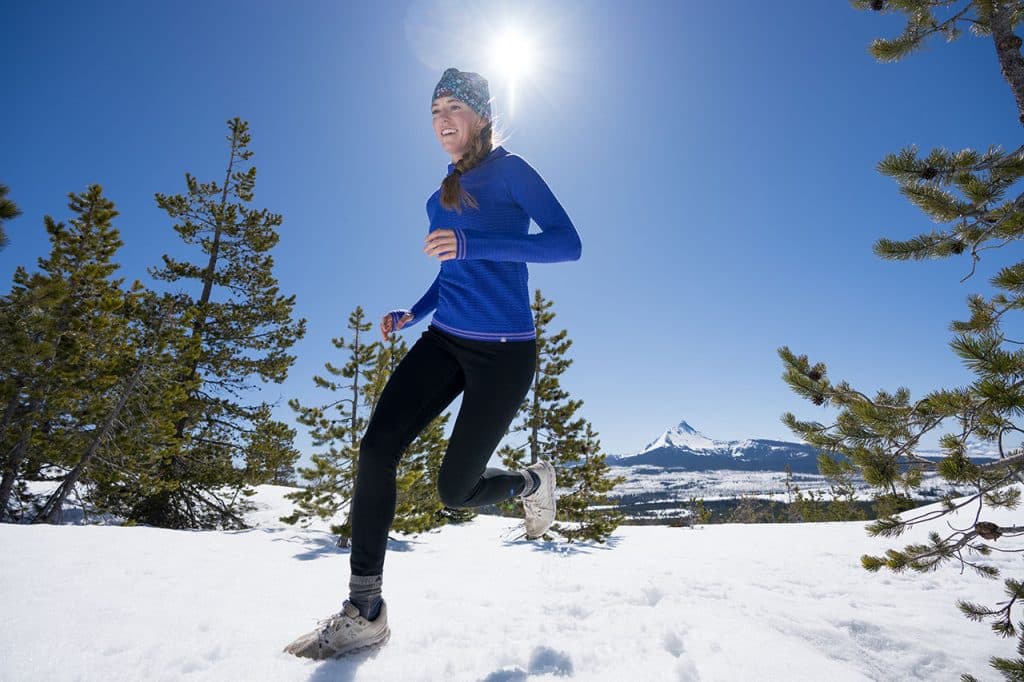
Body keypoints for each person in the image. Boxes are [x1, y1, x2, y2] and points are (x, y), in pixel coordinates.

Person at [284, 66, 582, 660]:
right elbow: (451, 271)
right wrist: (415, 311)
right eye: (433, 112)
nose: (442, 121)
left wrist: (475, 244)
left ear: (480, 114)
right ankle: (364, 609)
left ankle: (532, 481)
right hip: (444, 339)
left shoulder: (512, 171)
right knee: (377, 449)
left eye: (453, 108)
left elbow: (565, 243)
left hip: (504, 354)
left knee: (456, 490)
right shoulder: (437, 196)